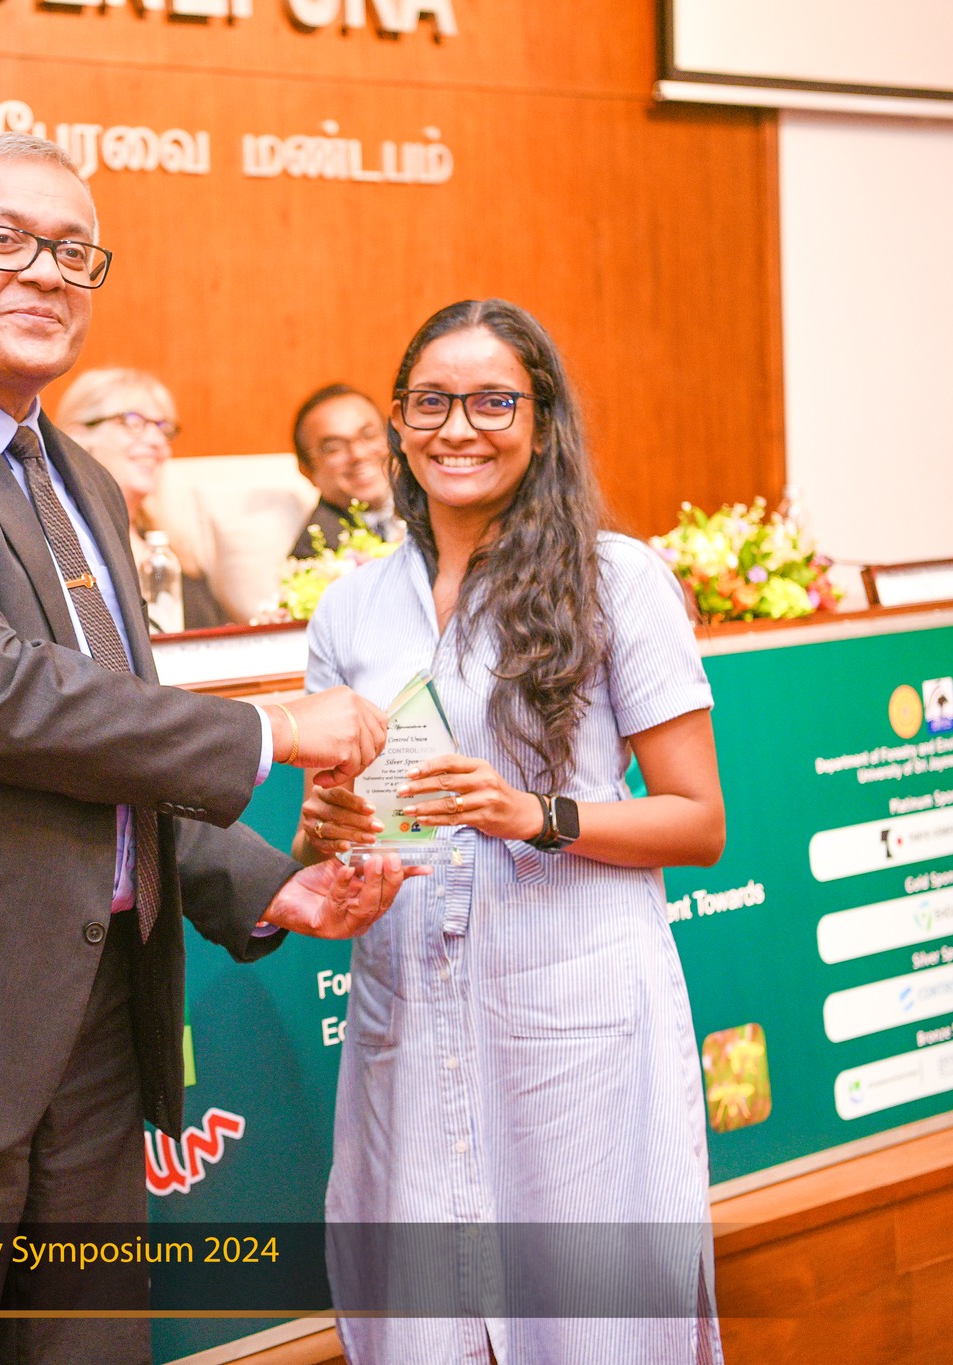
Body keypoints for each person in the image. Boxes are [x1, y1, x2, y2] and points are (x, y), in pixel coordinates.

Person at [0, 130, 417, 1365]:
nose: (45, 272)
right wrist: (267, 728)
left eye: (73, 251)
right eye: (3, 241)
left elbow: (107, 741)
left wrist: (267, 883)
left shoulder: (82, 484)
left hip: (96, 1024)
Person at [296, 300, 726, 1363]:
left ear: (540, 422)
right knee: (423, 1330)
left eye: (493, 402)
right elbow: (338, 836)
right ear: (398, 421)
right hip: (409, 1010)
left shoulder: (615, 579)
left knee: (593, 1328)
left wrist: (535, 815)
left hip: (571, 1013)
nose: (459, 428)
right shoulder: (350, 610)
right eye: (431, 402)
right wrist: (327, 831)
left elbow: (697, 820)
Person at [54, 367, 229, 630]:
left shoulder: (174, 548)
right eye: (133, 422)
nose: (157, 441)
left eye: (163, 427)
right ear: (78, 437)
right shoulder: (63, 545)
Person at [288, 382, 401, 559]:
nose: (358, 455)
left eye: (369, 435)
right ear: (307, 471)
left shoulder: (435, 503)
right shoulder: (313, 557)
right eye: (334, 448)